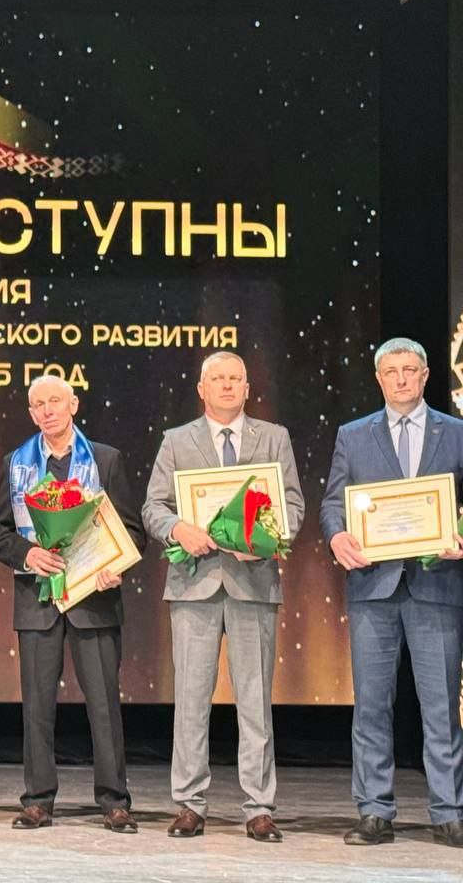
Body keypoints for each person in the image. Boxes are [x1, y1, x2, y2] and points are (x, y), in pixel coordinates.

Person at [142, 351, 304, 843]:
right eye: (219, 378)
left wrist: (268, 540)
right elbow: (153, 507)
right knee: (191, 700)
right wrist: (179, 529)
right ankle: (190, 804)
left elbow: (292, 504)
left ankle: (259, 808)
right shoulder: (177, 440)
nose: (228, 385)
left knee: (255, 700)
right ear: (202, 388)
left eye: (236, 378)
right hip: (194, 584)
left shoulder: (273, 437)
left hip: (254, 583)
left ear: (248, 388)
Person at [320, 337, 463, 847]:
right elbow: (332, 504)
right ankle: (374, 812)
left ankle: (449, 812)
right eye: (391, 371)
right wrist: (337, 536)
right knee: (372, 706)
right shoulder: (353, 435)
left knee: (441, 707)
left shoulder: (457, 433)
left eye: (410, 370)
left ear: (425, 376)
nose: (401, 379)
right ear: (379, 378)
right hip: (373, 588)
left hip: (437, 586)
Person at [0, 375, 144, 833]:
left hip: (95, 597)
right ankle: (38, 800)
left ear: (73, 404)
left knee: (103, 704)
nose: (47, 410)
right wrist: (27, 554)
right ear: (31, 413)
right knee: (37, 706)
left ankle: (114, 801)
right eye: (38, 404)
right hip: (37, 600)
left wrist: (117, 565)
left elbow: (133, 531)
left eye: (55, 401)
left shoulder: (106, 460)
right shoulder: (17, 463)